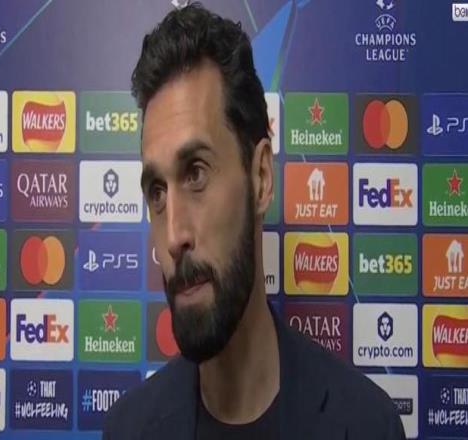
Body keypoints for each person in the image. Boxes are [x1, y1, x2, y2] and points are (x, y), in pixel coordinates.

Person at [103, 3, 406, 439]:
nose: (173, 236)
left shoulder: (367, 426)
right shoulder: (128, 430)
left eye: (196, 173)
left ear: (261, 177)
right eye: (157, 192)